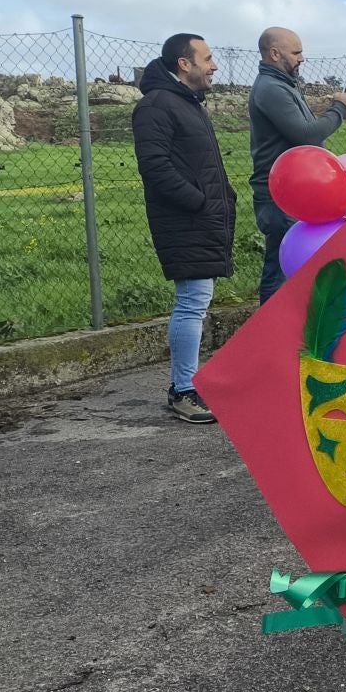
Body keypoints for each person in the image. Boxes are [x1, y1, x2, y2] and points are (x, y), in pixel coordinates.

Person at [131, 33, 234, 424]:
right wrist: (197, 200)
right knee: (192, 302)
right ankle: (183, 390)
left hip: (199, 219)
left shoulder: (186, 103)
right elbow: (154, 166)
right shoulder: (157, 106)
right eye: (207, 59)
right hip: (184, 220)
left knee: (198, 300)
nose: (214, 65)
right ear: (184, 64)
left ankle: (189, 383)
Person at [248, 26, 346, 301]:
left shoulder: (283, 84)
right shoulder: (272, 89)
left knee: (293, 271)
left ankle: (286, 333)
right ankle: (272, 334)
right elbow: (306, 134)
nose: (302, 58)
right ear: (274, 53)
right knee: (280, 270)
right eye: (296, 52)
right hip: (282, 196)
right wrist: (339, 108)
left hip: (296, 193)